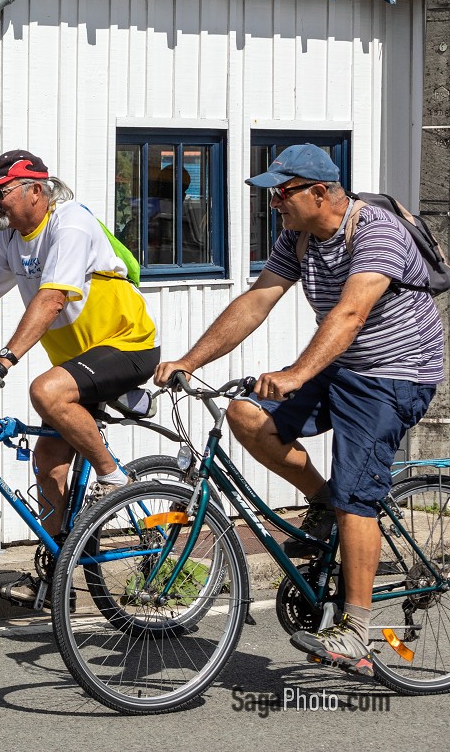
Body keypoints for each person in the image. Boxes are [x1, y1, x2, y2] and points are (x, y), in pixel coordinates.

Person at [155, 144, 443, 677]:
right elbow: (257, 299)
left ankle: (358, 627)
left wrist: (297, 373)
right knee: (245, 414)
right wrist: (191, 360)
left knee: (359, 492)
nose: (273, 205)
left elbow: (352, 312)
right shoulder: (300, 236)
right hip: (341, 363)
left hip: (395, 372)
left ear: (318, 192)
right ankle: (323, 502)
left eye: (280, 193)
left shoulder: (377, 231)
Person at [0, 150, 159, 605]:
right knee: (49, 461)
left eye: (0, 192)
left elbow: (52, 299)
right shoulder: (7, 240)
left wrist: (3, 361)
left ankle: (115, 479)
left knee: (45, 391)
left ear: (35, 191)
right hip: (78, 362)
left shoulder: (70, 224)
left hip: (127, 347)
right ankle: (58, 578)